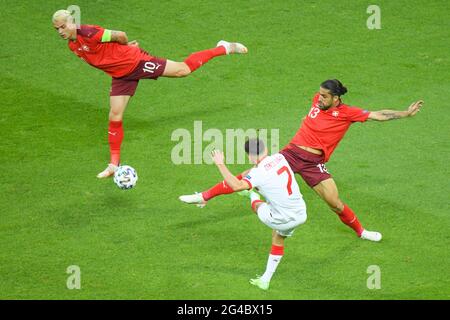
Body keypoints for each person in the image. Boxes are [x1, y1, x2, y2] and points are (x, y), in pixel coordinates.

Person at [180, 79, 424, 242]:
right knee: (247, 177)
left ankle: (362, 232)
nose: (319, 98)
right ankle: (203, 197)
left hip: (313, 164)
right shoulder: (316, 101)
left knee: (335, 203)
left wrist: (405, 113)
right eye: (319, 94)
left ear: (337, 98)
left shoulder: (347, 113)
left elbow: (377, 115)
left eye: (325, 96)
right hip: (291, 153)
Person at [52, 9, 248, 178]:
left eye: (62, 26)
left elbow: (120, 34)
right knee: (115, 115)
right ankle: (114, 164)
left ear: (72, 22)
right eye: (57, 29)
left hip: (135, 62)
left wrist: (126, 48)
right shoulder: (73, 45)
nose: (60, 31)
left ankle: (223, 48)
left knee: (183, 70)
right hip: (120, 75)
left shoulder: (89, 32)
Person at [182, 139, 307, 290]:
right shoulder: (280, 157)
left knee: (257, 205)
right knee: (278, 237)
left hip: (280, 218)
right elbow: (247, 175)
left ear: (250, 156)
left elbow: (235, 185)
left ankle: (250, 194)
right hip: (300, 213)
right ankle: (265, 281)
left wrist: (220, 163)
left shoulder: (258, 173)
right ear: (266, 149)